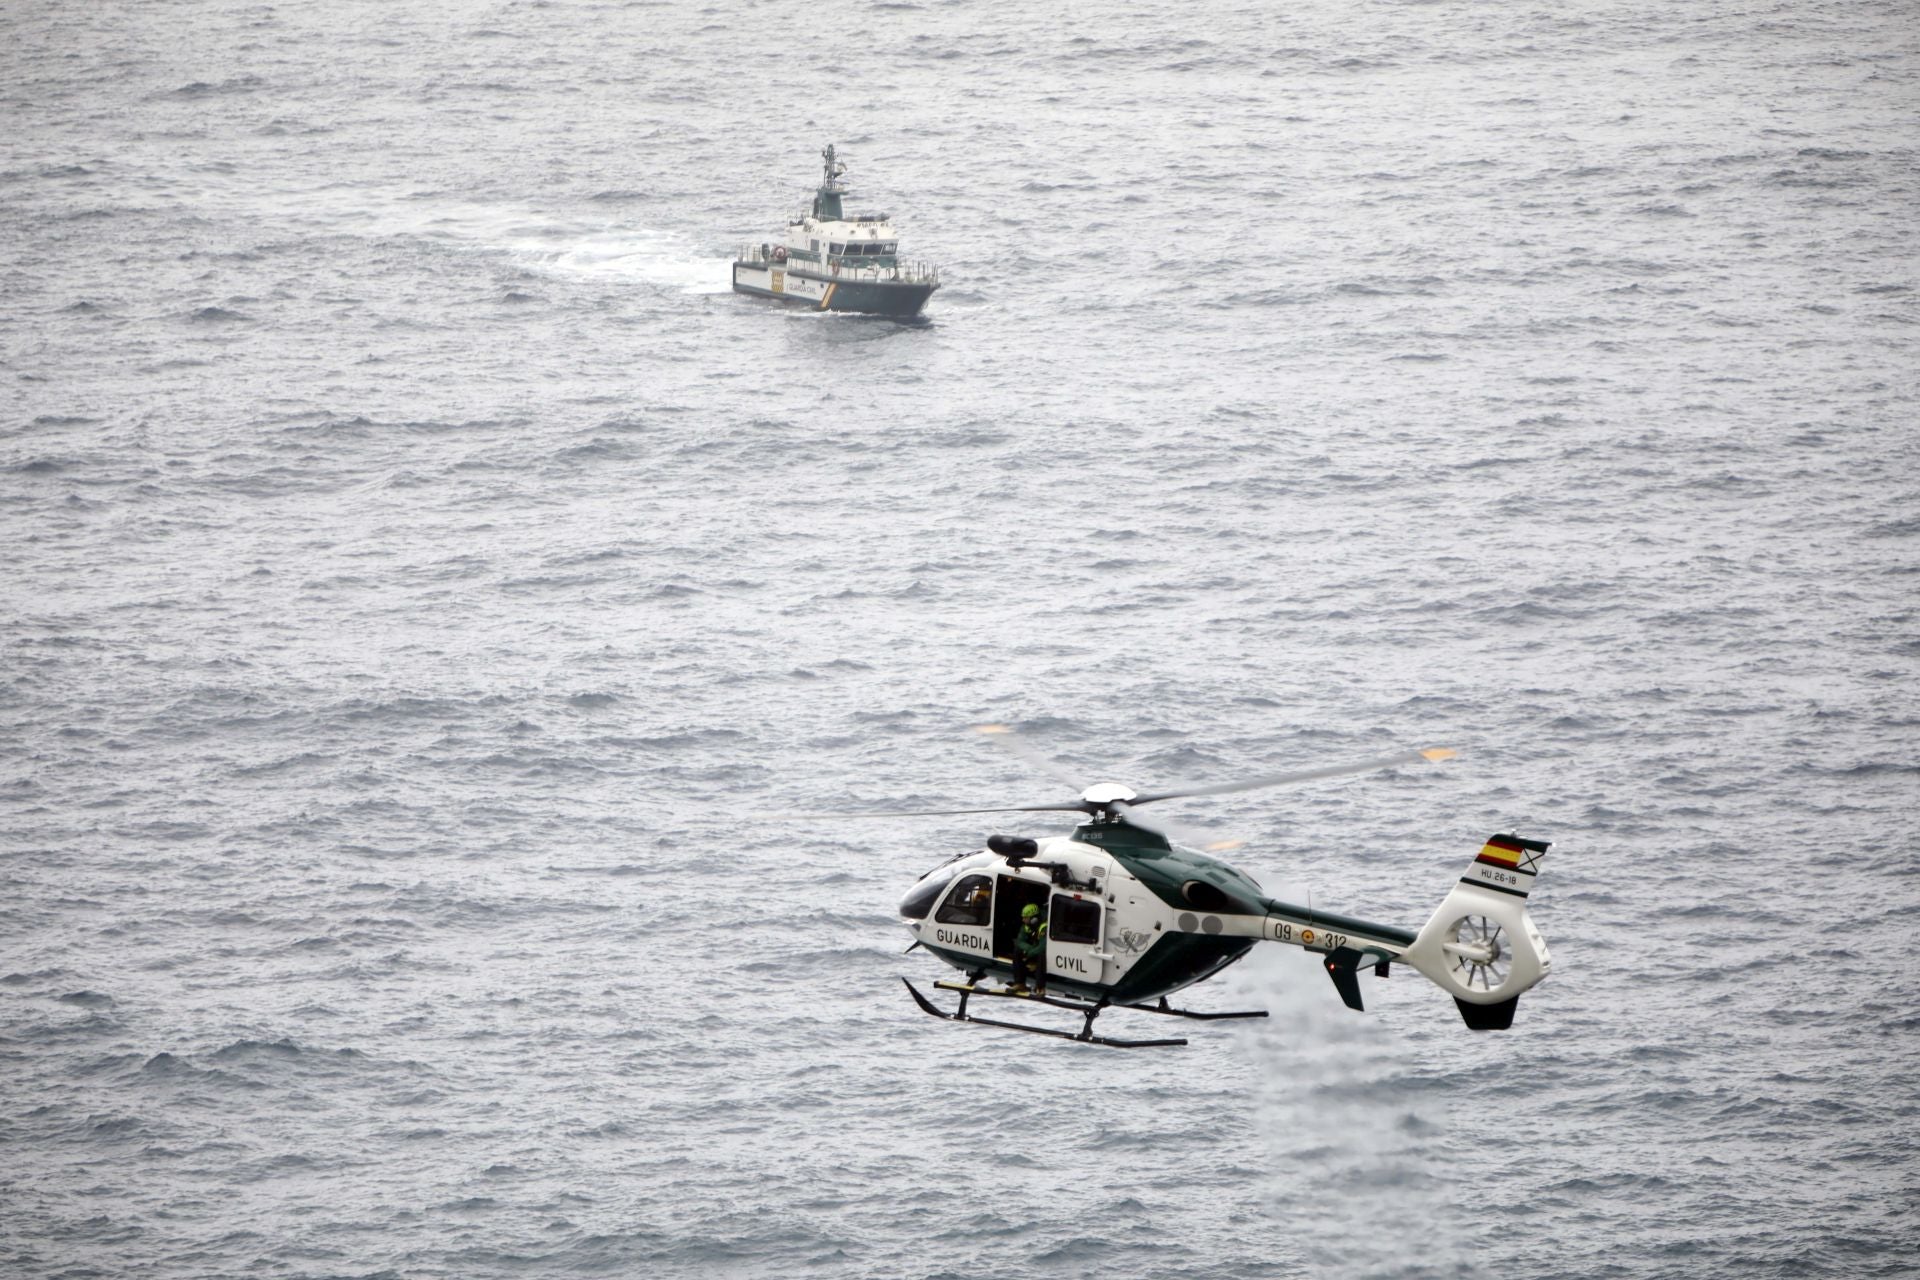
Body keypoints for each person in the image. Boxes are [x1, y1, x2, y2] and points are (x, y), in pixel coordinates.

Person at [1009, 902, 1047, 996]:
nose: (1023, 920)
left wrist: (1030, 953)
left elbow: (1043, 947)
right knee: (1017, 951)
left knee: (1042, 955)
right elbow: (1019, 941)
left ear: (1034, 919)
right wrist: (1029, 949)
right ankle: (1020, 983)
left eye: (1025, 918)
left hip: (1043, 954)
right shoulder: (1026, 927)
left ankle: (1040, 988)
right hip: (1033, 951)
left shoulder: (1044, 927)